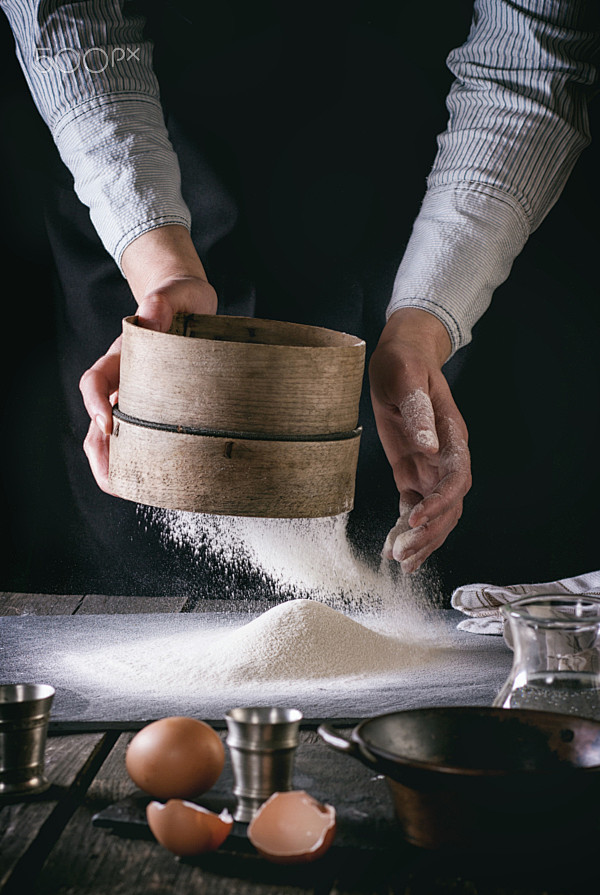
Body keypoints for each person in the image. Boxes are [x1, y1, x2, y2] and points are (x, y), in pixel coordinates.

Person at [1, 0, 598, 594]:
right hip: (144, 197)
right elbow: (70, 19)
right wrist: (160, 270)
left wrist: (422, 329)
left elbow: (527, 66)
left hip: (416, 211)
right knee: (144, 563)